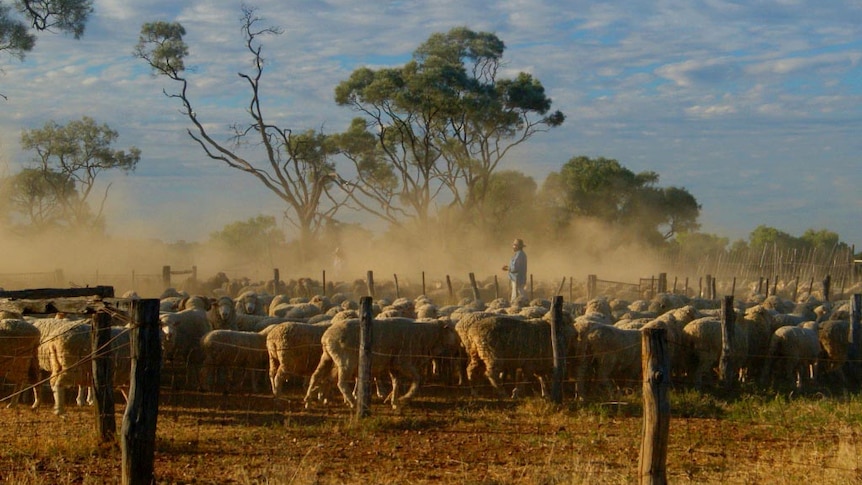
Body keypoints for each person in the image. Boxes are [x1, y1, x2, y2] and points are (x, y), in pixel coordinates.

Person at [502, 238, 527, 303]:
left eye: (514, 245)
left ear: (517, 246)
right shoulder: (520, 254)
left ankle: (516, 306)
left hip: (517, 278)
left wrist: (507, 268)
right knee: (520, 293)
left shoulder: (519, 255)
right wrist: (508, 267)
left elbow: (515, 268)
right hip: (519, 278)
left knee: (516, 295)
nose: (513, 246)